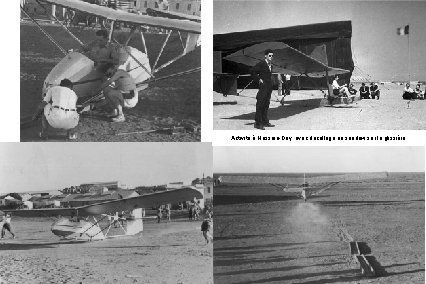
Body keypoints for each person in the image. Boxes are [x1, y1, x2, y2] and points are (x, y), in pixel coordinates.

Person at [251, 49, 275, 130]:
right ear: (266, 56)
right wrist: (259, 79)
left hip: (269, 88)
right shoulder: (261, 63)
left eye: (272, 56)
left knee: (266, 104)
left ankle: (265, 121)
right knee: (260, 104)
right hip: (263, 87)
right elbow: (252, 71)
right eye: (269, 55)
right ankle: (258, 123)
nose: (271, 57)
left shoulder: (271, 65)